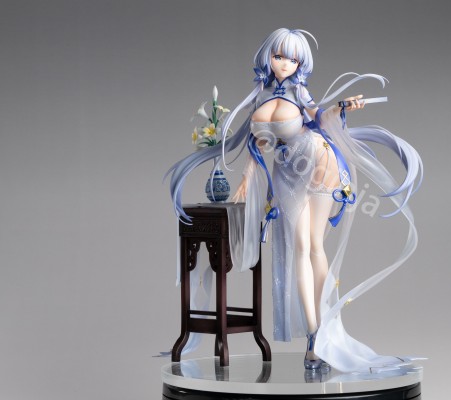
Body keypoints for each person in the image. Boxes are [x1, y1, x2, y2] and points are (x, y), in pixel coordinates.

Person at [167, 28, 423, 373]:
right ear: (268, 57)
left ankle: (320, 333)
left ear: (301, 63)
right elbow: (257, 144)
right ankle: (316, 333)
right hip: (286, 170)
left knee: (311, 245)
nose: (285, 63)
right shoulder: (259, 97)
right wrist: (245, 179)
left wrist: (341, 107)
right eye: (279, 56)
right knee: (301, 247)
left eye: (292, 59)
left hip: (316, 161)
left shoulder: (300, 93)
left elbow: (320, 119)